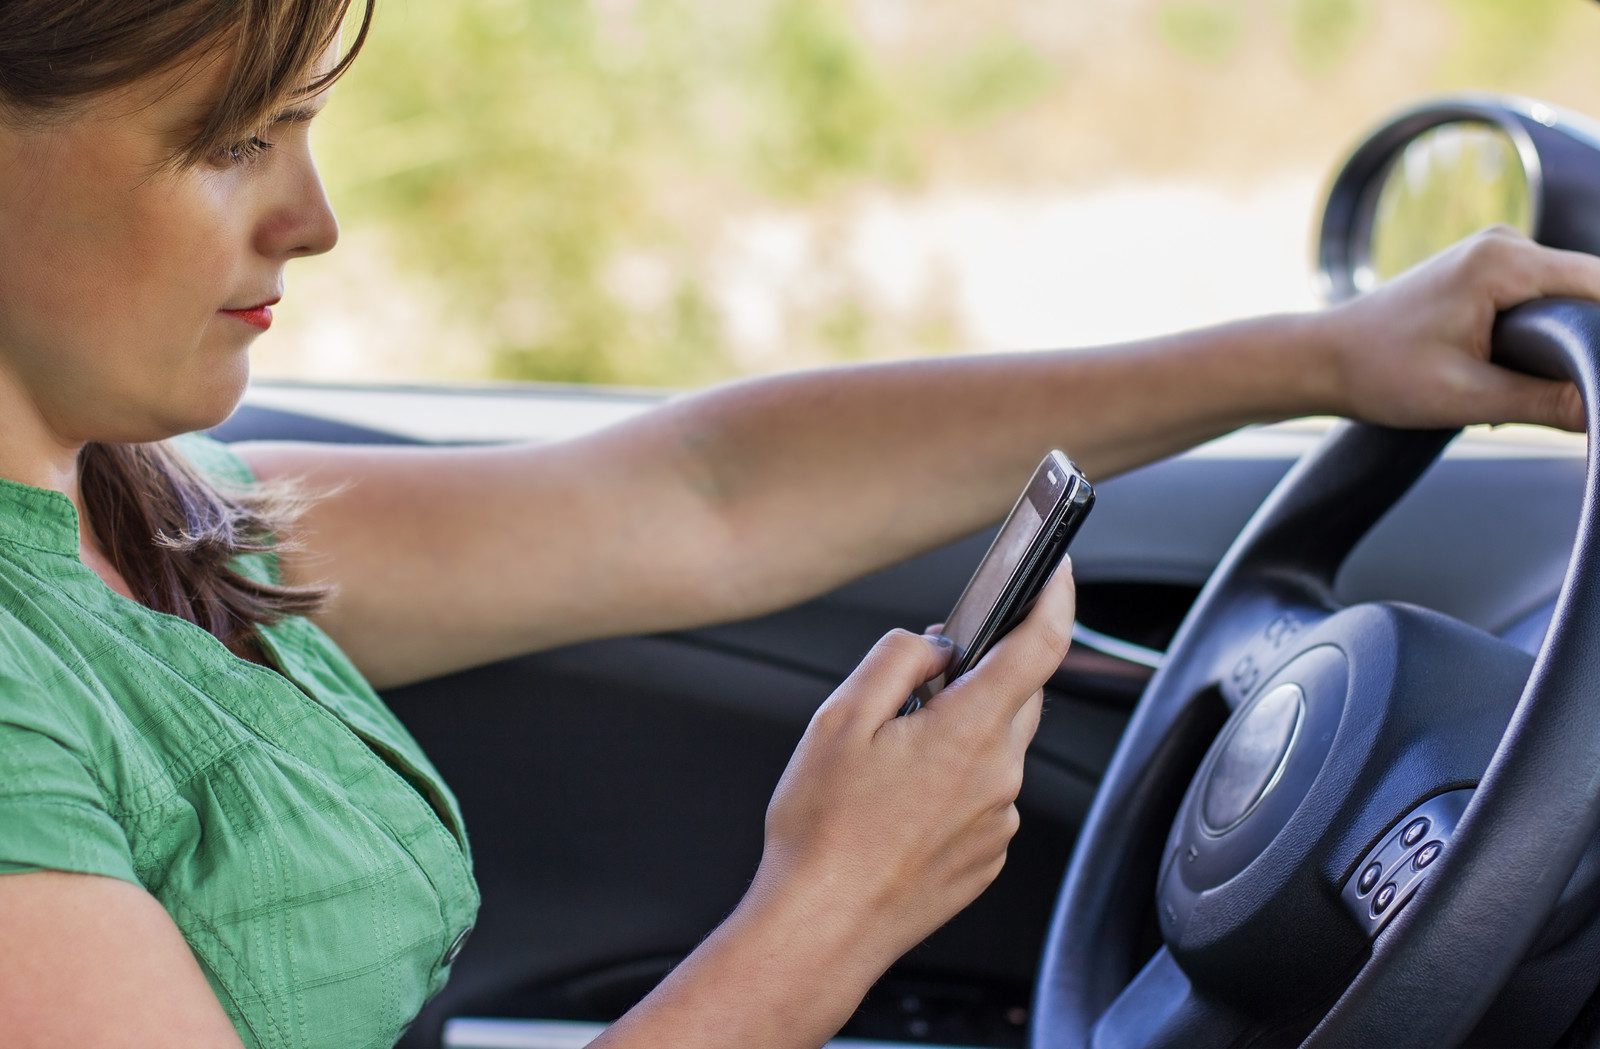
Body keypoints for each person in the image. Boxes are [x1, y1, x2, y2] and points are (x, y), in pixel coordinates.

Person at [0, 2, 1593, 1048]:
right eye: (229, 144)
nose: (315, 218)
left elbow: (698, 496)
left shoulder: (128, 504)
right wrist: (834, 906)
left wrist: (1319, 357)